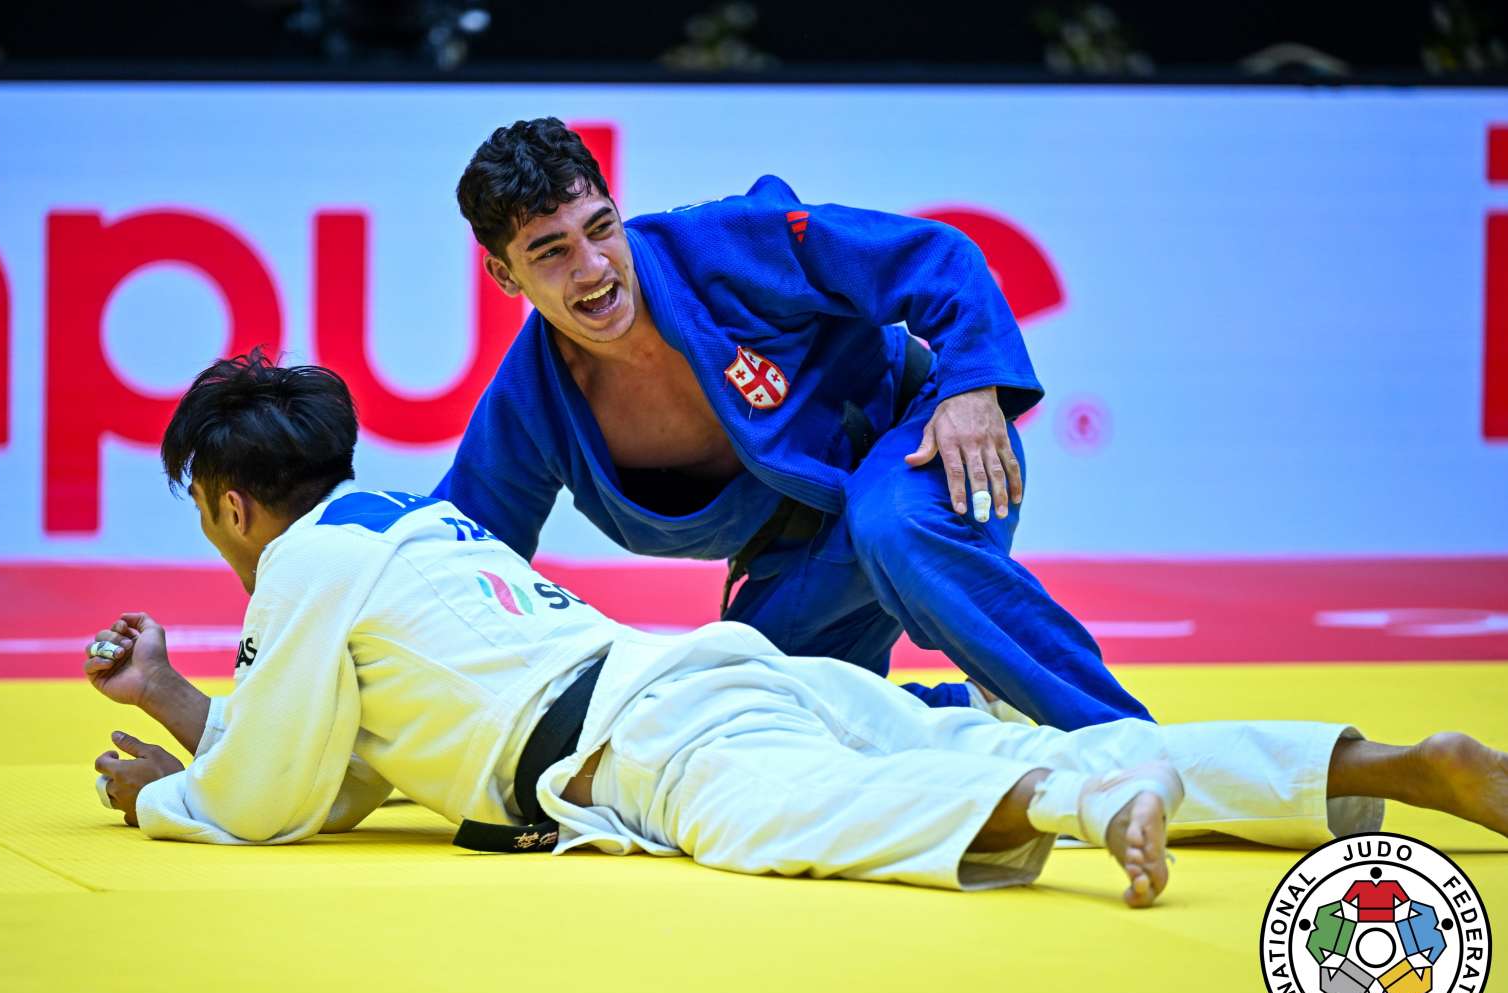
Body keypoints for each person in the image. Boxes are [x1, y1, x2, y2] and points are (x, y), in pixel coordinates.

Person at [85, 353, 1508, 910]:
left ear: (227, 504)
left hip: (646, 743)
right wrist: (172, 704)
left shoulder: (301, 572)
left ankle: (1080, 801)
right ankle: (1374, 764)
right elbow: (338, 766)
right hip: (706, 673)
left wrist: (166, 796)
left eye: (204, 513)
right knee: (957, 748)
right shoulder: (410, 528)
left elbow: (268, 798)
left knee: (813, 818)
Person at [434, 117, 1145, 730]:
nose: (593, 268)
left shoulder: (727, 247)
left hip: (924, 447)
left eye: (600, 229)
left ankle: (1119, 736)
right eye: (551, 251)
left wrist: (969, 386)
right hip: (811, 560)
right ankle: (969, 713)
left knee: (894, 522)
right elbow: (452, 568)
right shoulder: (529, 404)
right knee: (723, 716)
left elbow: (936, 257)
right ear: (505, 276)